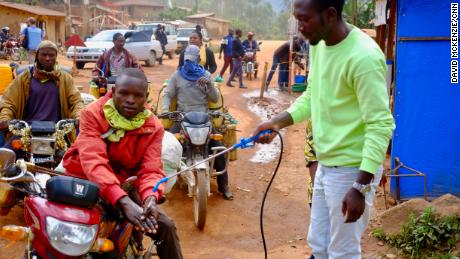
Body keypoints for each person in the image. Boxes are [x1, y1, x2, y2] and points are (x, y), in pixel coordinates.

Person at [253, 0, 395, 258]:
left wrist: (360, 187)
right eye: (297, 19)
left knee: (342, 252)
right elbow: (312, 94)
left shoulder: (363, 57)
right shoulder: (319, 44)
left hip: (352, 170)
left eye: (304, 20)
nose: (299, 28)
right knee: (319, 244)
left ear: (330, 15)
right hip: (325, 164)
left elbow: (381, 124)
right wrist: (277, 123)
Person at [63, 68, 183, 259]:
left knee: (165, 227)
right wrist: (123, 201)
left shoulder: (153, 125)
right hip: (86, 179)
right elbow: (94, 162)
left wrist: (150, 198)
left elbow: (151, 169)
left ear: (146, 97)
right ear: (113, 91)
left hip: (125, 183)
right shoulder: (92, 114)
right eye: (124, 93)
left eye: (137, 95)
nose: (130, 99)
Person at [163, 45, 233, 200]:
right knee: (168, 146)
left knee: (218, 149)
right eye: (187, 57)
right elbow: (167, 94)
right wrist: (165, 110)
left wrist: (209, 84)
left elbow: (214, 98)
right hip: (181, 117)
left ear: (198, 59)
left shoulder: (206, 74)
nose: (189, 61)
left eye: (192, 57)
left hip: (203, 118)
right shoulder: (177, 76)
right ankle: (164, 184)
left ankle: (224, 186)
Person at [0, 40, 84, 137]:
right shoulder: (24, 78)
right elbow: (8, 102)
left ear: (56, 56)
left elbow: (76, 101)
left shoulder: (65, 78)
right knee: (6, 152)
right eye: (43, 55)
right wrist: (5, 118)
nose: (47, 58)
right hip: (26, 133)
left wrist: (79, 116)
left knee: (76, 151)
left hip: (58, 133)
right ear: (37, 56)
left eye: (51, 55)